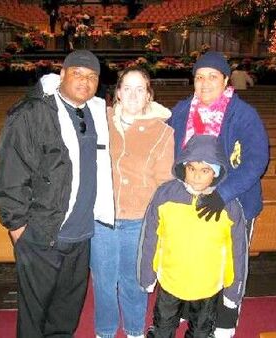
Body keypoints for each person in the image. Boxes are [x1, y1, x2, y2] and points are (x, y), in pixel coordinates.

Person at [0, 50, 114, 338]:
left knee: (66, 312)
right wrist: (17, 227)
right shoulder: (32, 112)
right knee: (35, 315)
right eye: (78, 74)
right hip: (42, 234)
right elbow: (10, 173)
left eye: (92, 77)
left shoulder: (95, 110)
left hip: (81, 234)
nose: (85, 81)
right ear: (62, 74)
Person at [168, 51, 269, 337]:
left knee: (231, 263)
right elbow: (162, 140)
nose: (205, 83)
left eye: (212, 77)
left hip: (234, 201)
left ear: (225, 80)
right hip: (192, 199)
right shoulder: (182, 110)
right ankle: (193, 312)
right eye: (199, 77)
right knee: (195, 259)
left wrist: (222, 193)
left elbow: (256, 160)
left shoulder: (243, 114)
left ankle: (226, 319)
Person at [90, 66, 174, 338]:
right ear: (117, 93)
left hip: (139, 219)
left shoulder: (163, 132)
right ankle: (104, 331)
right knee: (103, 281)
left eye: (141, 89)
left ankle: (135, 331)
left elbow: (164, 182)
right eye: (128, 87)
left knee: (134, 280)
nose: (134, 94)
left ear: (149, 95)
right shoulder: (98, 122)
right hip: (102, 216)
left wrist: (159, 222)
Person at [138, 135, 247, 338]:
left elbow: (237, 250)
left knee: (200, 332)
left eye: (205, 170)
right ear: (183, 167)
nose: (197, 176)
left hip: (208, 284)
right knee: (162, 329)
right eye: (192, 169)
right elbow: (150, 237)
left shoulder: (228, 205)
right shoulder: (165, 195)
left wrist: (233, 290)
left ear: (216, 173)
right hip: (171, 279)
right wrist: (147, 274)